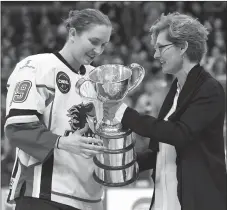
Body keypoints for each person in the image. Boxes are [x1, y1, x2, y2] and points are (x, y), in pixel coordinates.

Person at [105, 12, 226, 210]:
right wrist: (127, 164)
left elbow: (179, 135)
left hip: (197, 201)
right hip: (164, 200)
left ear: (183, 47)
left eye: (161, 47)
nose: (155, 55)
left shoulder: (209, 88)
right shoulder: (176, 89)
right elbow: (164, 150)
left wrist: (125, 114)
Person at [4, 8, 112, 210]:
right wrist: (62, 142)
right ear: (72, 34)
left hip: (91, 200)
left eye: (104, 45)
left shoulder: (98, 77)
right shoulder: (36, 66)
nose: (98, 51)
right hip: (43, 197)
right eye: (94, 41)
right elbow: (17, 129)